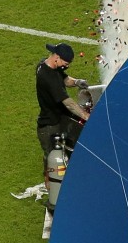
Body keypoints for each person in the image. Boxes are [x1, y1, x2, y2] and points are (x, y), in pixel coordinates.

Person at [36, 43, 91, 173]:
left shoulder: (47, 64)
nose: (67, 66)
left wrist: (77, 82)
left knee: (68, 152)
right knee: (52, 160)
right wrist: (86, 116)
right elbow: (69, 104)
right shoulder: (48, 78)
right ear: (57, 57)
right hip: (50, 125)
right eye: (65, 63)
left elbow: (64, 79)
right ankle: (51, 186)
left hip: (60, 118)